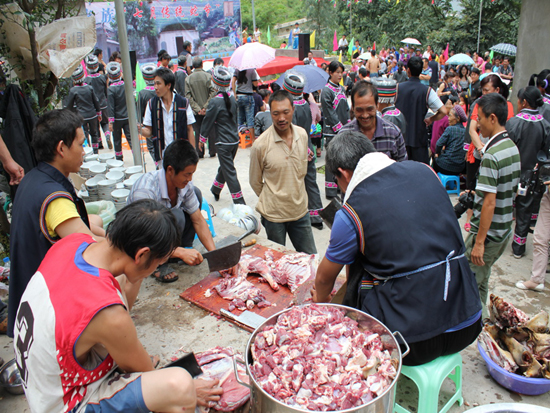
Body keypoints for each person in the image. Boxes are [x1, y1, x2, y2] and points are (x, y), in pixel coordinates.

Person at [13, 199, 223, 412]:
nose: (157, 268)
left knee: (125, 277)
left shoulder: (74, 241)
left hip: (42, 383)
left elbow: (121, 279)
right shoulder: (108, 313)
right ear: (141, 255)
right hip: (65, 404)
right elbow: (147, 372)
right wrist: (190, 390)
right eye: (158, 263)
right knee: (179, 386)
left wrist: (142, 269)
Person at [313, 131, 482, 366]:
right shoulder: (425, 171)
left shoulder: (351, 212)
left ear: (342, 173)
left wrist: (319, 306)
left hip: (410, 344)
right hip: (469, 322)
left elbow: (324, 279)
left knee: (360, 270)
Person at [7, 109, 106, 337]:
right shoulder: (55, 199)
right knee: (121, 272)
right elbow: (92, 247)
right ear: (61, 148)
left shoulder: (34, 177)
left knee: (98, 222)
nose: (84, 151)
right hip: (44, 303)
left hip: (26, 284)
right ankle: (110, 347)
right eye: (81, 144)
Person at [465, 93, 521, 318]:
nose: (476, 124)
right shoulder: (511, 148)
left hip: (487, 234)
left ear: (493, 118)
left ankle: (471, 325)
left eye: (480, 118)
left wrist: (479, 242)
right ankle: (482, 322)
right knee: (482, 277)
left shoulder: (492, 155)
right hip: (503, 230)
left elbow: (490, 203)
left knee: (469, 281)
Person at [128, 140, 216, 281]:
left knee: (196, 193)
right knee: (175, 216)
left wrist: (215, 255)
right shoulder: (145, 190)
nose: (190, 179)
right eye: (187, 174)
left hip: (164, 236)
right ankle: (158, 264)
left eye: (192, 173)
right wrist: (179, 252)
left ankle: (180, 249)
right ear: (170, 170)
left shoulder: (185, 184)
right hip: (143, 240)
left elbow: (198, 220)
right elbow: (143, 237)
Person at [249, 90, 317, 254]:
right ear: (270, 113)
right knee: (277, 263)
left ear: (293, 110)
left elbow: (302, 173)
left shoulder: (302, 135)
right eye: (276, 114)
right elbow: (255, 181)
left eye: (286, 112)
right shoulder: (261, 145)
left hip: (300, 212)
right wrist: (273, 198)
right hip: (274, 217)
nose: (281, 118)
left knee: (311, 259)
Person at [463, 73, 514, 232]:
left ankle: (487, 223)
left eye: (487, 90)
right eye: (482, 91)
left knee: (490, 192)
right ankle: (470, 218)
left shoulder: (507, 106)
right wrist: (481, 149)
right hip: (479, 151)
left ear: (497, 90)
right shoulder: (479, 104)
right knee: (473, 187)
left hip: (495, 153)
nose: (483, 94)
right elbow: (472, 129)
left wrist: (490, 151)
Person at [506, 86, 550, 258]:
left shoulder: (514, 123)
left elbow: (507, 150)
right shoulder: (545, 125)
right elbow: (545, 154)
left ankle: (496, 239)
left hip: (512, 172)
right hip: (532, 176)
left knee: (503, 205)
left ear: (523, 102)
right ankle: (518, 247)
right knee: (525, 211)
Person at [282, 72, 324, 229]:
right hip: (309, 147)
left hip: (297, 149)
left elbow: (292, 133)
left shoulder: (290, 109)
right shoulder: (306, 104)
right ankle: (316, 216)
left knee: (294, 181)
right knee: (311, 181)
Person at [199, 66, 245, 205]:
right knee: (226, 167)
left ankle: (240, 203)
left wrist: (202, 139)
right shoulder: (232, 98)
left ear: (214, 84)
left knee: (229, 171)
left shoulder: (215, 101)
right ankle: (216, 189)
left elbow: (208, 121)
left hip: (223, 143)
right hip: (234, 141)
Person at [395, 56, 447, 164]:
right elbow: (443, 111)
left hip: (400, 139)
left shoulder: (397, 88)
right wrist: (431, 119)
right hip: (419, 139)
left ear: (408, 70)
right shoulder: (427, 91)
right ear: (421, 71)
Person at [340, 80, 407, 162]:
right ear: (353, 108)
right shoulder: (344, 136)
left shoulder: (393, 133)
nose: (365, 115)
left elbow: (403, 168)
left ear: (377, 106)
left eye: (369, 109)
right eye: (359, 110)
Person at [142, 67, 196, 166]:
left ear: (168, 85)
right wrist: (139, 129)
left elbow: (189, 129)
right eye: (154, 83)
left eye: (158, 83)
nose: (155, 87)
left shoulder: (183, 103)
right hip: (162, 157)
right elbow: (149, 131)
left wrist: (193, 155)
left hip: (181, 155)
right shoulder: (152, 104)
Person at [321, 61, 350, 198]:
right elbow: (328, 112)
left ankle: (339, 186)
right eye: (337, 72)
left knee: (341, 159)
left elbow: (345, 109)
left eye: (341, 72)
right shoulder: (327, 90)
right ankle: (330, 190)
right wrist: (339, 127)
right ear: (330, 72)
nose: (340, 75)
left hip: (343, 129)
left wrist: (348, 124)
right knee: (331, 159)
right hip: (332, 131)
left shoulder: (341, 89)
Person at [65, 65, 101, 154]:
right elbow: (96, 101)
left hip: (81, 116)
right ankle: (96, 151)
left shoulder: (73, 90)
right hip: (92, 115)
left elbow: (69, 106)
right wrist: (99, 113)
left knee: (84, 134)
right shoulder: (89, 88)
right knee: (94, 133)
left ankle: (87, 151)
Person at [185, 57, 216, 158]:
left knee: (198, 130)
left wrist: (197, 109)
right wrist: (205, 106)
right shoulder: (208, 76)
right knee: (210, 129)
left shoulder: (188, 78)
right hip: (208, 109)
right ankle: (212, 151)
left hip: (195, 111)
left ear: (193, 66)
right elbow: (213, 92)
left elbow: (188, 96)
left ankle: (199, 152)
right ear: (202, 65)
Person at [85, 54, 112, 150]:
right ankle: (108, 135)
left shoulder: (86, 80)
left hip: (93, 107)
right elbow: (105, 91)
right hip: (103, 104)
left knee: (95, 126)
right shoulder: (102, 78)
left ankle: (99, 143)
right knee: (105, 123)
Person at [106, 62, 132, 161]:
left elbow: (111, 107)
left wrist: (111, 121)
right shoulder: (126, 85)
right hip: (127, 116)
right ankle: (136, 155)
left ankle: (119, 158)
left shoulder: (111, 89)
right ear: (120, 73)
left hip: (117, 119)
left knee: (117, 140)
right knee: (130, 139)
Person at [434, 105, 467, 175]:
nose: (448, 119)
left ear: (457, 118)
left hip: (445, 166)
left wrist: (438, 153)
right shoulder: (466, 132)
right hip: (459, 168)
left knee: (435, 160)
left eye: (450, 116)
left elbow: (438, 144)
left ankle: (435, 181)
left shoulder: (450, 129)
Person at [136, 63, 158, 163]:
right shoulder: (160, 90)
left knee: (151, 146)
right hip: (161, 121)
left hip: (148, 124)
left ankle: (157, 163)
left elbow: (139, 111)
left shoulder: (142, 93)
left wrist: (139, 123)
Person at [232, 68, 260, 142]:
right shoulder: (251, 70)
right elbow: (255, 84)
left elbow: (233, 81)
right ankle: (253, 140)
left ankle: (239, 139)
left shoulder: (237, 70)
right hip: (248, 96)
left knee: (239, 119)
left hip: (238, 96)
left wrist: (234, 94)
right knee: (250, 119)